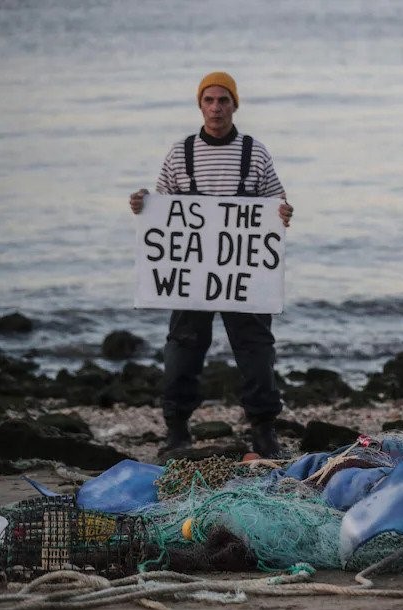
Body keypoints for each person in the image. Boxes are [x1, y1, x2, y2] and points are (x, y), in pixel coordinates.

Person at [129, 71, 295, 458]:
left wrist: (284, 212)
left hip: (244, 275)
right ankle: (176, 430)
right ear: (200, 105)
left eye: (224, 100)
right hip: (192, 276)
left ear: (235, 105)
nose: (216, 107)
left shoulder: (255, 152)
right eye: (209, 100)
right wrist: (142, 204)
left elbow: (275, 203)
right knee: (182, 351)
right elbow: (163, 209)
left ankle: (264, 430)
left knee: (256, 351)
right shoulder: (179, 152)